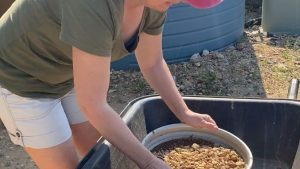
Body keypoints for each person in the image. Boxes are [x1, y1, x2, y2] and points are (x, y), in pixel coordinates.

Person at [0, 0, 222, 168]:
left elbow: (153, 62)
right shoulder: (92, 6)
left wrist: (183, 112)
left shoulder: (154, 4)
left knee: (100, 154)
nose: (177, 2)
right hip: (19, 79)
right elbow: (93, 104)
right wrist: (150, 162)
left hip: (67, 73)